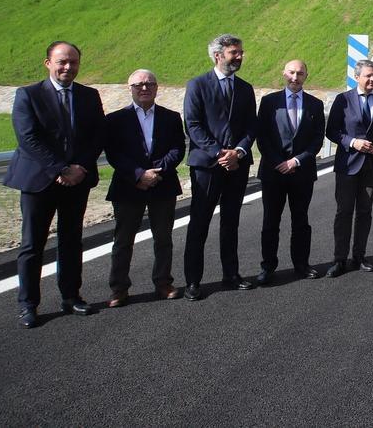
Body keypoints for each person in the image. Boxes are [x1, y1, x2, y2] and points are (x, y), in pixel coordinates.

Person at [4, 41, 105, 328]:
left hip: (77, 180)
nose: (68, 67)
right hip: (39, 180)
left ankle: (71, 296)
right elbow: (28, 138)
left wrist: (80, 167)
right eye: (62, 61)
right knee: (32, 244)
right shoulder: (28, 95)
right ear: (48, 63)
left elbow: (98, 135)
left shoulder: (89, 95)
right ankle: (28, 304)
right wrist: (60, 168)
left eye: (73, 62)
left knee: (71, 240)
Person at [182, 34, 258, 300]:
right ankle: (193, 280)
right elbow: (192, 125)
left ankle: (231, 274)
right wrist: (218, 152)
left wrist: (238, 151)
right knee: (199, 222)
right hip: (207, 166)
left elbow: (251, 125)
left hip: (237, 164)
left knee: (231, 221)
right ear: (218, 55)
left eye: (240, 52)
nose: (239, 56)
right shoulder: (197, 85)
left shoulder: (245, 88)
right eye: (234, 53)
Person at [103, 69, 186, 307]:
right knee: (123, 241)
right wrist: (139, 174)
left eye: (150, 84)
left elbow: (178, 148)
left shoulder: (171, 117)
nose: (144, 88)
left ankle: (163, 282)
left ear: (157, 88)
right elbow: (114, 153)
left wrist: (157, 171)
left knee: (163, 239)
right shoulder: (115, 119)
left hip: (162, 184)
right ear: (129, 88)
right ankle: (119, 289)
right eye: (138, 84)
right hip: (128, 186)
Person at [255, 60, 325, 285]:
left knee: (301, 221)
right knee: (270, 222)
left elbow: (317, 139)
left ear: (306, 76)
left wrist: (296, 161)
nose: (295, 77)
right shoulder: (269, 102)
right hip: (273, 172)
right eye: (292, 73)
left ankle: (301, 264)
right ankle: (268, 267)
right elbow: (262, 136)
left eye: (300, 73)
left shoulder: (315, 104)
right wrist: (279, 162)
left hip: (302, 173)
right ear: (284, 74)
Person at [325, 60, 373, 277]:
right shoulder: (343, 100)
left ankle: (359, 256)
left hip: (372, 166)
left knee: (365, 212)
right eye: (368, 76)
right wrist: (352, 142)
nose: (372, 79)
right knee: (344, 212)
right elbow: (332, 131)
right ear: (357, 77)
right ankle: (339, 259)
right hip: (348, 166)